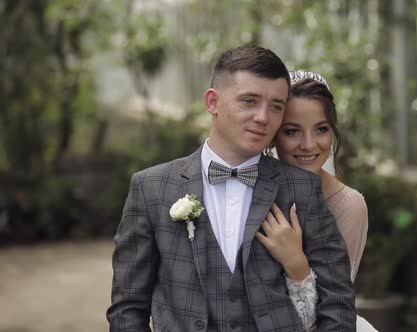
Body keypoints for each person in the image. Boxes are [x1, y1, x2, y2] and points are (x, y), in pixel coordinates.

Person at [106, 46, 356, 331]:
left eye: (276, 106)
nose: (263, 117)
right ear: (213, 102)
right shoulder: (151, 188)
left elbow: (338, 302)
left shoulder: (302, 188)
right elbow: (127, 307)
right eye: (249, 101)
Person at [256, 70, 377, 331]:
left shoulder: (349, 206)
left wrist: (295, 262)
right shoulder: (248, 186)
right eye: (292, 131)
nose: (309, 145)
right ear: (274, 133)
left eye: (321, 129)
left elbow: (334, 307)